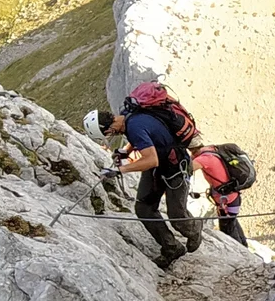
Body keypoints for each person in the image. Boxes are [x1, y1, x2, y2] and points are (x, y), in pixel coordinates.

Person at [105, 84, 203, 271]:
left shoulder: (134, 125)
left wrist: (121, 170)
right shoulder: (127, 115)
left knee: (176, 215)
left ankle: (194, 229)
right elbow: (145, 138)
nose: (110, 135)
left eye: (107, 132)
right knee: (144, 208)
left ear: (109, 125)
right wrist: (126, 152)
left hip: (175, 166)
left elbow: (151, 159)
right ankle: (171, 248)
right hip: (162, 166)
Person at [191, 142, 249, 245]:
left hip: (226, 201)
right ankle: (245, 247)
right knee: (232, 222)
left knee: (227, 230)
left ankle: (238, 253)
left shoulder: (202, 159)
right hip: (233, 197)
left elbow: (186, 169)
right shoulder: (211, 150)